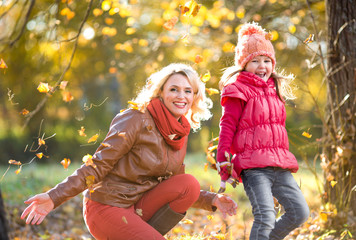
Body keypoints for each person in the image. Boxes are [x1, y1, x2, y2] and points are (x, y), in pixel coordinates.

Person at [21, 63, 238, 240]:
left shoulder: (179, 130)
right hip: (107, 207)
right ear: (160, 92)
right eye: (174, 89)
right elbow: (98, 164)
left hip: (139, 207)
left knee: (188, 183)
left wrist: (213, 199)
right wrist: (53, 197)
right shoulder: (136, 118)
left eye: (187, 91)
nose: (181, 96)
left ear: (194, 97)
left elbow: (174, 184)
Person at [216, 22, 309, 240]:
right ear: (244, 64)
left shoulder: (274, 89)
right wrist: (223, 157)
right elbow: (227, 124)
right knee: (265, 215)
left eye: (267, 60)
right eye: (255, 61)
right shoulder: (237, 90)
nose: (262, 66)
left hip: (279, 163)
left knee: (300, 212)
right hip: (253, 166)